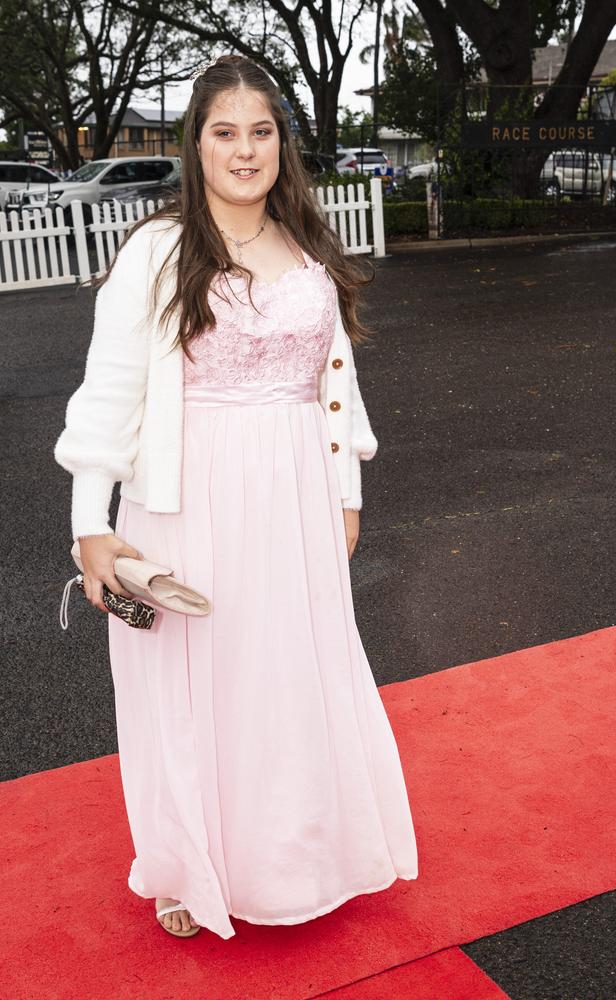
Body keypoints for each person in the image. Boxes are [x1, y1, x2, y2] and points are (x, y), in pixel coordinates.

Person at [54, 54, 418, 940]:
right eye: (225, 132)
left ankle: (296, 858)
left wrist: (346, 490)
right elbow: (111, 391)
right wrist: (89, 529)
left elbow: (336, 381)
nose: (245, 150)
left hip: (294, 494)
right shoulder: (158, 250)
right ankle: (188, 865)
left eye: (262, 132)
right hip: (189, 497)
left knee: (289, 682)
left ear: (282, 145)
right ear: (198, 144)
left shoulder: (311, 248)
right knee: (189, 689)